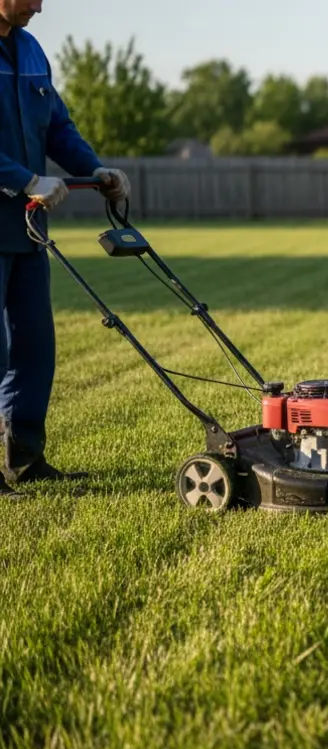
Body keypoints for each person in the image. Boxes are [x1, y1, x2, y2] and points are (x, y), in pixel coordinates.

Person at [0, 0, 129, 496]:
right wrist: (25, 178)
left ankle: (23, 458)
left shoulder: (31, 51)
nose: (39, 5)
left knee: (35, 349)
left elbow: (57, 127)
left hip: (28, 232)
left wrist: (95, 170)